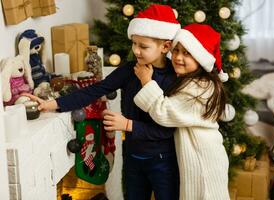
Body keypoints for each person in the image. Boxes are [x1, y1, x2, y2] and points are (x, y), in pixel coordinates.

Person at [24, 4, 181, 200]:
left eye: (143, 46)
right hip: (132, 157)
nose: (136, 51)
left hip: (162, 160)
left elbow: (167, 129)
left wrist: (127, 125)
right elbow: (96, 89)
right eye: (134, 44)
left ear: (165, 46)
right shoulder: (129, 70)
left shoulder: (174, 78)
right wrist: (54, 103)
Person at [103, 24, 230, 199]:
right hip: (193, 153)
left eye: (186, 53)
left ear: (201, 58)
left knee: (205, 194)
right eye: (176, 51)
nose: (177, 57)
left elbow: (164, 112)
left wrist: (146, 81)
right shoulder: (188, 80)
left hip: (202, 158)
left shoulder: (200, 86)